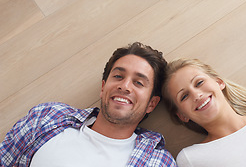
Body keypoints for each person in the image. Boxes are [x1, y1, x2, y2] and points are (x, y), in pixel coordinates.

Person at [0, 42, 176, 167]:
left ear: (151, 104)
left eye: (138, 82)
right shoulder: (47, 117)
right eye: (118, 76)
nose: (124, 86)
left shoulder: (158, 162)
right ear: (103, 87)